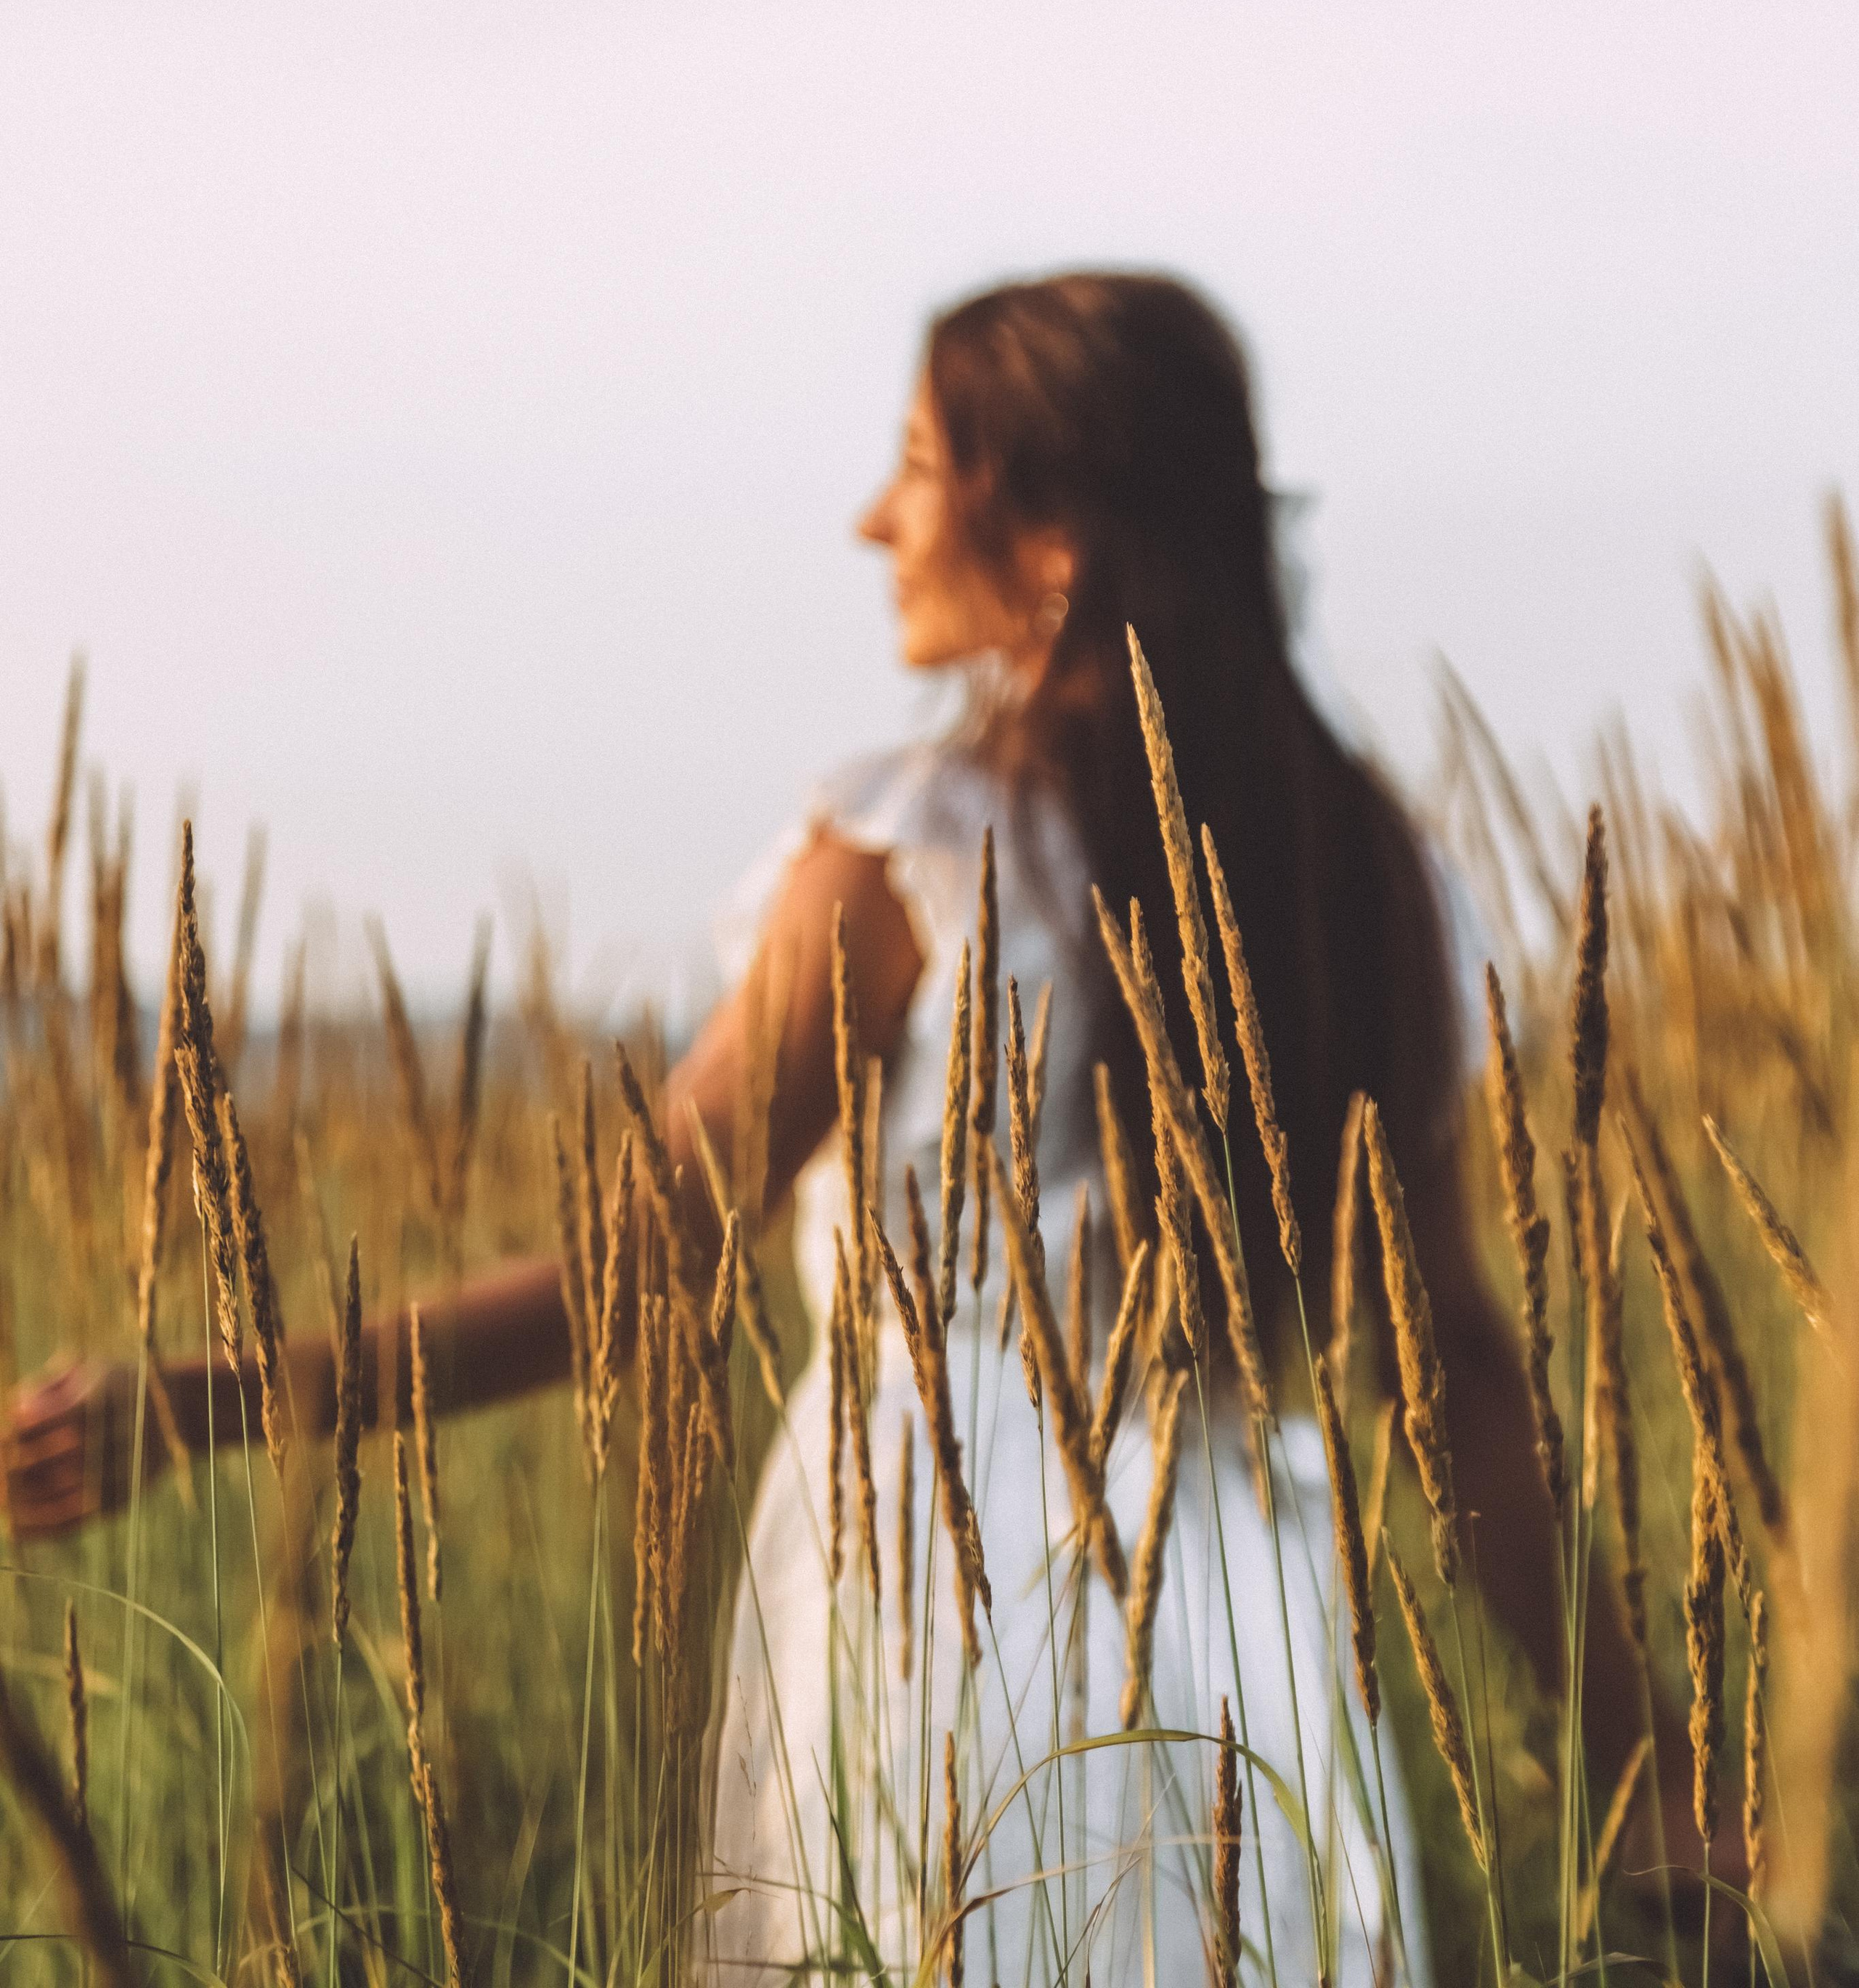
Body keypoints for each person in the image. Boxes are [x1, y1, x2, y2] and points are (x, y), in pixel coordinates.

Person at [3, 269, 1670, 1980]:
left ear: (1055, 539)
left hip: (932, 1612)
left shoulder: (912, 858)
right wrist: (1654, 1775)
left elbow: (632, 1271)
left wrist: (200, 1408)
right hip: (1245, 1624)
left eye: (919, 462)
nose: (875, 519)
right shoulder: (1363, 864)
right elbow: (1462, 1366)